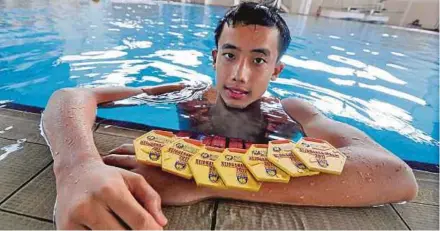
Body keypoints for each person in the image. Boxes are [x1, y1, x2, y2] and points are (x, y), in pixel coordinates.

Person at [42, 2, 418, 230]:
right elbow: (73, 96)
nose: (239, 74)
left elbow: (392, 172)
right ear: (214, 57)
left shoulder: (292, 110)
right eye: (229, 55)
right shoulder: (185, 92)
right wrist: (78, 165)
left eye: (258, 60)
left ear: (275, 71)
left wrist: (207, 177)